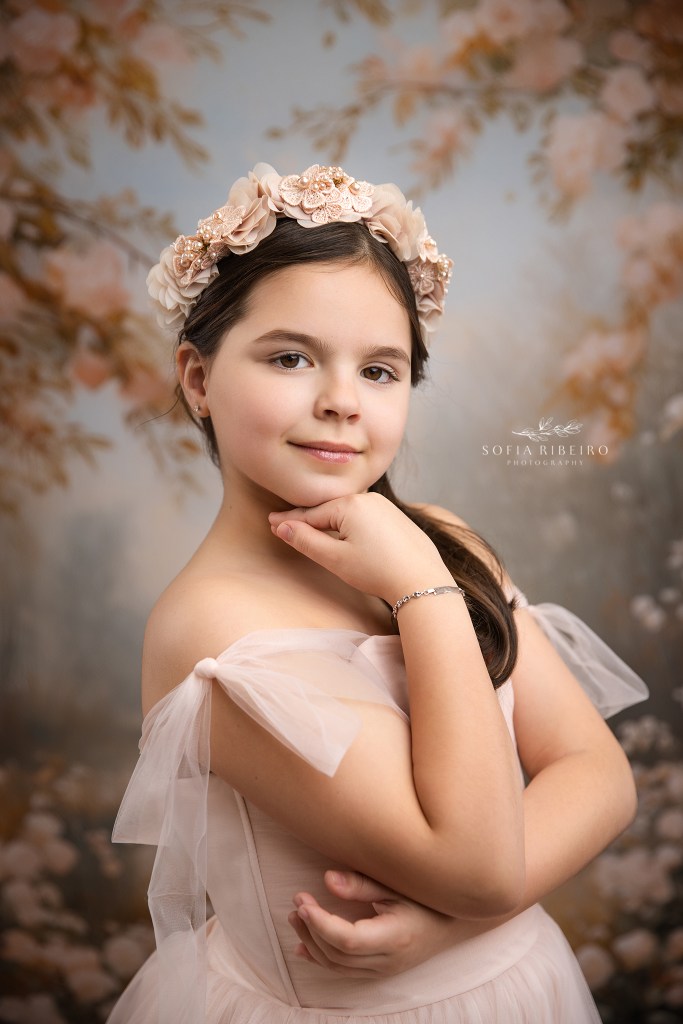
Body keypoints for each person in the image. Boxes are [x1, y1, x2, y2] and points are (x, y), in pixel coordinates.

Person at [107, 163, 648, 1024]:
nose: (340, 404)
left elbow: (597, 775)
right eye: (291, 358)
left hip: (514, 984)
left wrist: (450, 927)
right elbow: (475, 864)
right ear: (199, 379)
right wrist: (420, 594)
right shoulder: (212, 631)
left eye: (380, 371)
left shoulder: (435, 541)